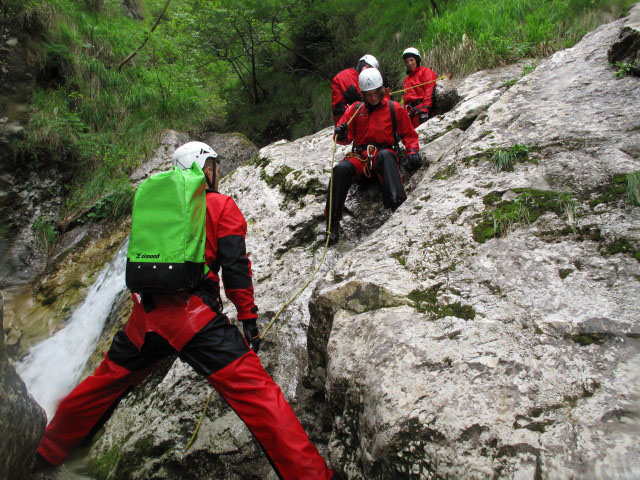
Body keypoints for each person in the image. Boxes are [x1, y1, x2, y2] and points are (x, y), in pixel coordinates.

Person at [33, 142, 333, 479]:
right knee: (260, 396)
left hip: (144, 317)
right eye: (215, 166)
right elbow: (235, 269)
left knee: (104, 382)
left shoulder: (159, 209)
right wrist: (248, 318)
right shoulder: (220, 206)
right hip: (194, 320)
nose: (217, 172)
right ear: (206, 169)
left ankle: (46, 449)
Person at [326, 68, 422, 245]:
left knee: (386, 155)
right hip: (362, 158)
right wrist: (340, 132)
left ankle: (397, 205)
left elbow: (409, 135)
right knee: (341, 169)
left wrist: (412, 151)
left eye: (375, 94)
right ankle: (332, 223)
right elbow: (342, 139)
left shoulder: (394, 108)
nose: (372, 98)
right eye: (368, 95)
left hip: (383, 156)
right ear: (362, 94)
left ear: (381, 91)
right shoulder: (355, 110)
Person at [331, 54, 379, 125]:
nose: (367, 71)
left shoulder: (359, 78)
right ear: (361, 64)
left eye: (370, 69)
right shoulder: (348, 74)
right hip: (344, 116)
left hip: (350, 114)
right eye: (367, 67)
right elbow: (354, 95)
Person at [401, 47, 437, 127]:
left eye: (411, 60)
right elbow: (405, 101)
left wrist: (425, 110)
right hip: (411, 115)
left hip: (422, 112)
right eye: (407, 62)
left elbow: (429, 90)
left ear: (416, 60)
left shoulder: (425, 72)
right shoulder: (406, 80)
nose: (409, 63)